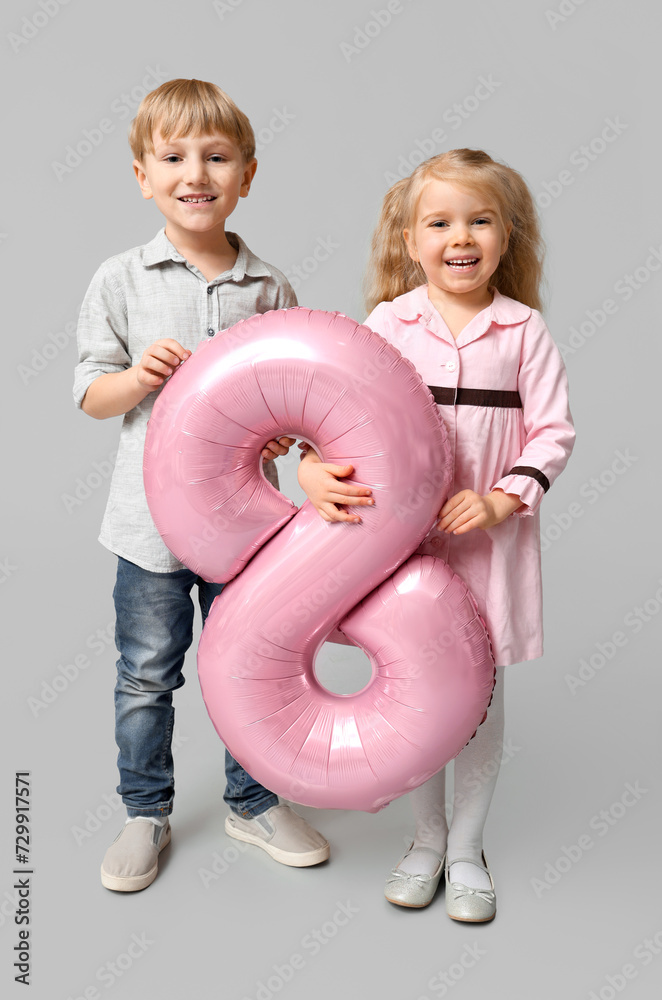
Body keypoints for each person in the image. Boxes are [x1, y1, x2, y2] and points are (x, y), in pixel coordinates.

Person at [298, 148, 575, 921]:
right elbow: (334, 408)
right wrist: (313, 469)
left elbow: (552, 433)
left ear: (505, 237)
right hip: (405, 548)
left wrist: (499, 500)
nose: (461, 236)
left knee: (477, 697)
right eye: (441, 221)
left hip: (488, 546)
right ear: (412, 239)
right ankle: (423, 840)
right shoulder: (389, 324)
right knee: (418, 695)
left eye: (479, 220)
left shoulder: (523, 330)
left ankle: (465, 848)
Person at [73, 78, 329, 892]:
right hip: (146, 528)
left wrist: (289, 436)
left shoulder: (270, 288)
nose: (196, 173)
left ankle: (253, 801)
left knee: (247, 664)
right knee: (147, 672)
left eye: (216, 157)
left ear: (246, 175)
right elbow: (88, 395)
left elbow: (289, 406)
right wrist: (137, 377)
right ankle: (143, 812)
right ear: (142, 175)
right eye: (174, 156)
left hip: (244, 530)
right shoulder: (120, 278)